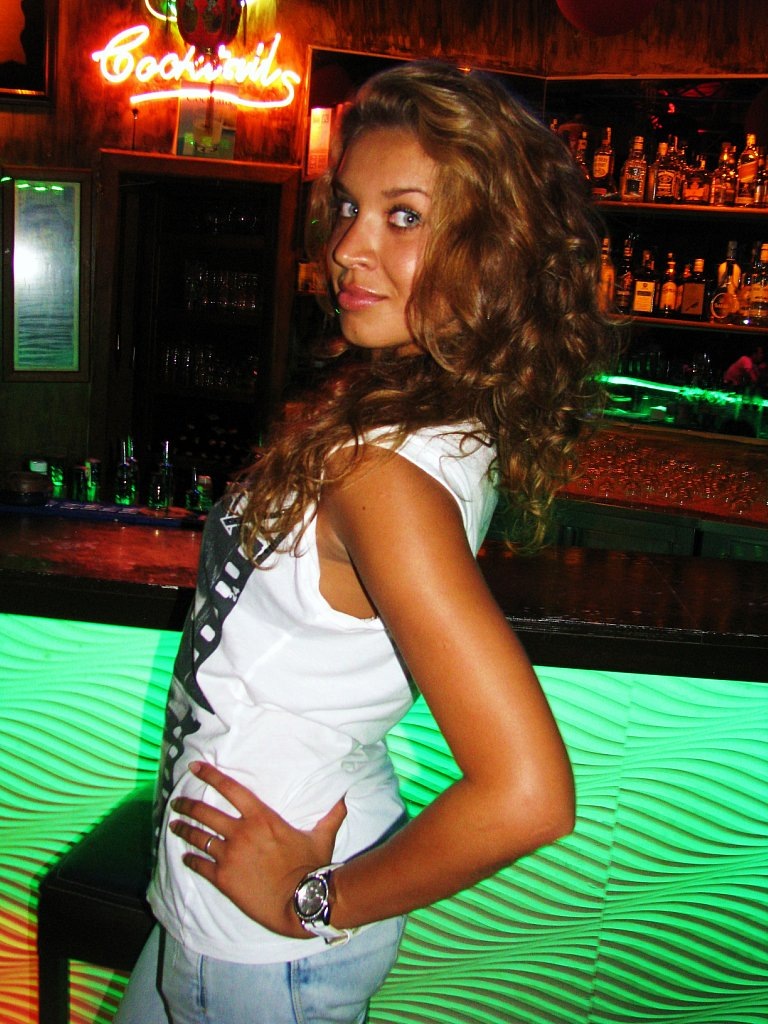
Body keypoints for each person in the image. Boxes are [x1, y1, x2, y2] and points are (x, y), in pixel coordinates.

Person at [115, 61, 618, 1024]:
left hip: (261, 950)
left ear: (495, 254)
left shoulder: (384, 476)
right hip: (218, 904)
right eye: (349, 206)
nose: (348, 246)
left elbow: (528, 795)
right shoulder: (422, 419)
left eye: (405, 216)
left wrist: (315, 901)